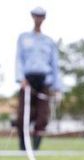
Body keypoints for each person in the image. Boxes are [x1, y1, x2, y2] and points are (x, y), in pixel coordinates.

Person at [15, 6, 62, 151]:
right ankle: (23, 149)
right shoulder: (23, 38)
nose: (38, 18)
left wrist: (57, 88)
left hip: (44, 83)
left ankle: (35, 148)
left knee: (42, 118)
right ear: (32, 17)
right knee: (23, 116)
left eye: (41, 16)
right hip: (27, 82)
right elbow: (19, 59)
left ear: (44, 18)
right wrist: (21, 78)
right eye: (36, 15)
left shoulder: (49, 42)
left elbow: (55, 65)